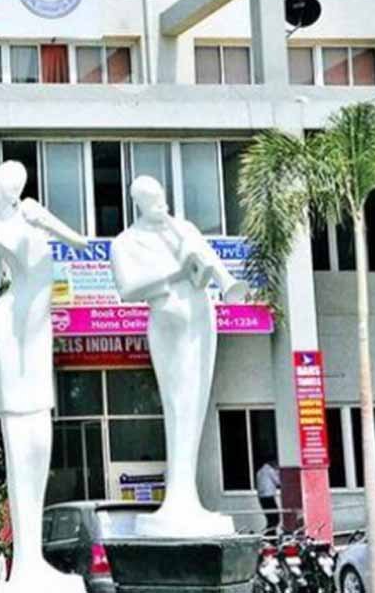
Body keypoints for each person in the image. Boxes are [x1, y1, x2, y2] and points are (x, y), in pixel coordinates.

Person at [0, 160, 88, 593]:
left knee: (40, 440)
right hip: (11, 325)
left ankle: (33, 558)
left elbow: (79, 243)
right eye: (7, 185)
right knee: (19, 436)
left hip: (38, 332)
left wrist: (45, 222)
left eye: (17, 185)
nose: (12, 191)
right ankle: (24, 562)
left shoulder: (34, 218)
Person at [111, 175, 242, 538]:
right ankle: (177, 497)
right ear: (139, 203)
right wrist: (176, 272)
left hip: (201, 316)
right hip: (168, 323)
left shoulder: (183, 228)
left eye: (162, 198)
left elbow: (207, 262)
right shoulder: (126, 242)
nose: (162, 206)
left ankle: (188, 495)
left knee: (196, 405)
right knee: (178, 405)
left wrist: (219, 277)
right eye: (153, 201)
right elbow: (128, 289)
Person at [256, 459, 281, 533]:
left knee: (270, 519)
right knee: (275, 519)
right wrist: (278, 472)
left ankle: (270, 535)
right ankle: (268, 535)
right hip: (269, 496)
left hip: (261, 497)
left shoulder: (260, 471)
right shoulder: (270, 470)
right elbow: (278, 482)